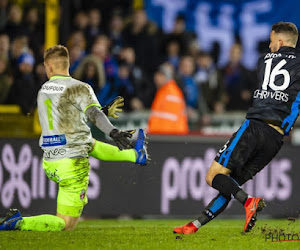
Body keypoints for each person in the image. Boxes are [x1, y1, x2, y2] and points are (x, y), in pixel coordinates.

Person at [0, 45, 148, 231]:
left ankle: (136, 155)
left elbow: (71, 116)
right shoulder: (79, 87)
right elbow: (92, 113)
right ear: (67, 64)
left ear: (49, 67)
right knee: (66, 225)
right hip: (72, 164)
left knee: (89, 142)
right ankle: (20, 222)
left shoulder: (44, 89)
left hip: (51, 161)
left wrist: (101, 112)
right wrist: (112, 131)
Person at [173, 22, 300, 234]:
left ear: (280, 40)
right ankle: (195, 225)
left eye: (271, 40)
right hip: (276, 140)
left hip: (256, 126)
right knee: (230, 185)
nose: (269, 45)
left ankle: (249, 201)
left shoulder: (263, 61)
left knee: (213, 176)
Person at [148, 63, 188, 134]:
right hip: (164, 134)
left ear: (166, 76)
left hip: (169, 136)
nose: (156, 77)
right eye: (156, 74)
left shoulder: (171, 92)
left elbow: (168, 119)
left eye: (160, 75)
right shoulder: (163, 91)